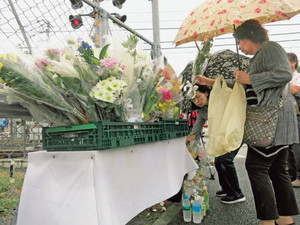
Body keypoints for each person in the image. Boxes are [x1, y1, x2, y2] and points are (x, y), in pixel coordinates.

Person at [196, 19, 299, 225]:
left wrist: (250, 79)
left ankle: (268, 220)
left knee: (255, 166)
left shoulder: (270, 48)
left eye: (241, 42)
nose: (241, 48)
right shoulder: (263, 54)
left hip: (269, 121)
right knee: (278, 170)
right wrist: (210, 82)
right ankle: (285, 219)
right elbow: (244, 83)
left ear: (250, 37)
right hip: (275, 121)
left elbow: (284, 74)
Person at [185, 84, 245, 204]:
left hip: (234, 133)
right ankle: (227, 188)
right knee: (218, 161)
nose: (197, 101)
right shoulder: (202, 111)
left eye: (198, 97)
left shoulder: (219, 100)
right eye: (194, 100)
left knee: (225, 160)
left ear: (206, 93)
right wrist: (184, 143)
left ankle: (237, 194)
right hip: (221, 138)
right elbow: (196, 131)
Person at [287, 52, 300, 188]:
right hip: (285, 115)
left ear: (293, 62)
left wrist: (280, 81)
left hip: (297, 115)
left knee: (297, 145)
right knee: (288, 145)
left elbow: (296, 90)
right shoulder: (285, 77)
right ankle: (291, 174)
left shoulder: (297, 77)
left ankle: (299, 176)